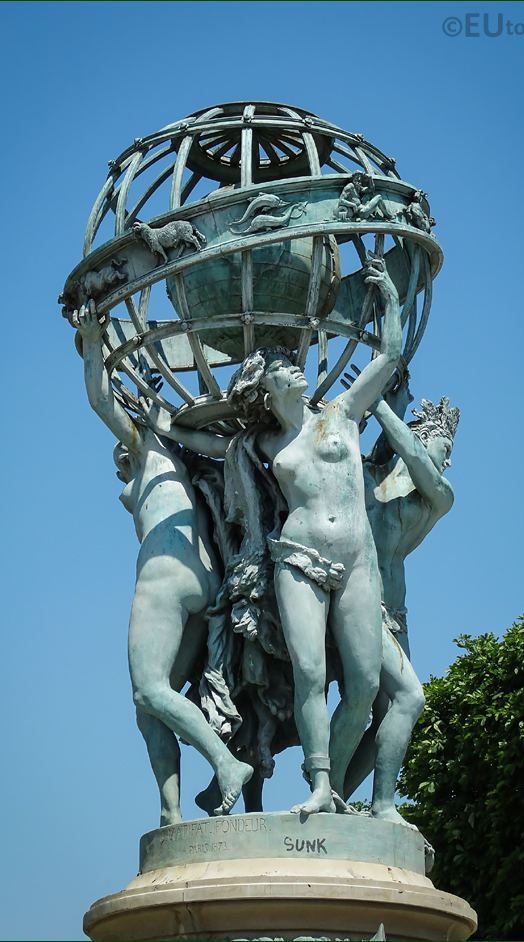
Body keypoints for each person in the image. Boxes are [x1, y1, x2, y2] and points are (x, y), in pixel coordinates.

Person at [146, 255, 403, 814]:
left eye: (292, 362)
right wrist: (154, 418)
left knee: (361, 686)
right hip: (297, 558)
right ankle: (318, 785)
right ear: (264, 390)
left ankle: (332, 789)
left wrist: (388, 299)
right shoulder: (258, 447)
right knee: (310, 673)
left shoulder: (342, 412)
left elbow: (387, 356)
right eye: (283, 368)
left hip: (358, 560)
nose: (295, 368)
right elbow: (195, 439)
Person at [73, 301, 253, 825]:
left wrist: (91, 347)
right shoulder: (184, 453)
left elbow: (100, 402)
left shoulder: (150, 442)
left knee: (147, 689)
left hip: (165, 575)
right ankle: (171, 814)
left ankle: (224, 764)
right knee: (151, 702)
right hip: (205, 578)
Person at [342, 370, 460, 822]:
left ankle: (343, 794)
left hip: (395, 614)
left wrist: (380, 404)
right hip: (357, 601)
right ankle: (374, 802)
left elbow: (417, 460)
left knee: (389, 711)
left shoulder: (439, 496)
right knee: (407, 698)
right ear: (423, 436)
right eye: (445, 448)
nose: (447, 461)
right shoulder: (370, 476)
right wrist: (381, 401)